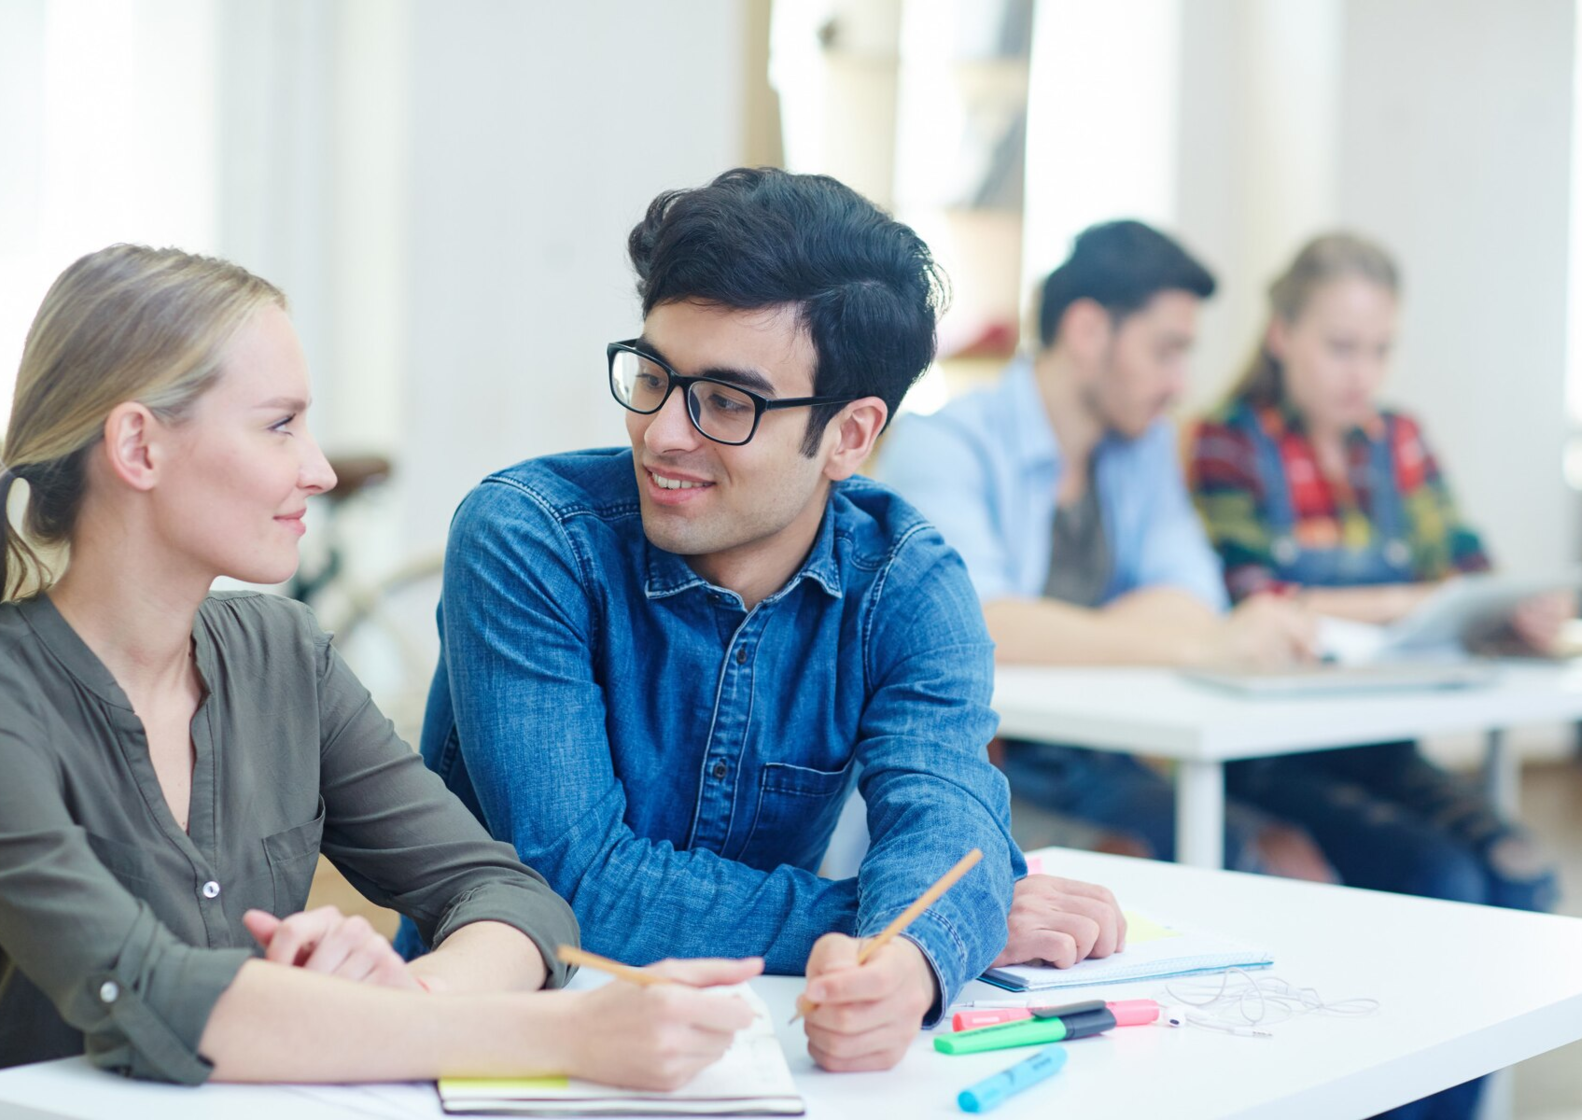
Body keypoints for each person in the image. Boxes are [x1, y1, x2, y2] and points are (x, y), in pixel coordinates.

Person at [0, 245, 764, 1118]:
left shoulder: (287, 657)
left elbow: (514, 899)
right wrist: (567, 1039)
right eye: (279, 424)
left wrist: (398, 1005)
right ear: (138, 445)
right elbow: (144, 993)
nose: (317, 469)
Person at [399, 168, 1128, 1074]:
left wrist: (904, 966)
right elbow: (572, 878)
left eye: (728, 403)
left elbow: (950, 814)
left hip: (760, 1051)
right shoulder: (531, 538)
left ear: (852, 436)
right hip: (499, 1046)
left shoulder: (908, 581)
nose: (665, 433)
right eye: (654, 376)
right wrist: (894, 922)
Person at [1187, 232, 1563, 1120]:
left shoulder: (1398, 439)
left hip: (1381, 745)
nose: (1363, 372)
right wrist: (1415, 597)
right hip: (1278, 757)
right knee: (1447, 883)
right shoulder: (1228, 445)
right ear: (1282, 335)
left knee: (1523, 879)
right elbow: (1259, 598)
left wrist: (1509, 610)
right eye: (1340, 346)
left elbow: (1469, 570)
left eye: (1380, 349)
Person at [877, 220, 1331, 878]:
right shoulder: (944, 445)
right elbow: (977, 629)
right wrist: (1190, 647)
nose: (1182, 382)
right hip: (962, 772)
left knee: (1285, 861)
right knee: (1136, 868)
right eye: (1166, 350)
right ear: (1089, 331)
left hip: (1094, 755)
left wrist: (1053, 633)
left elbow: (1193, 597)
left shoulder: (1141, 447)